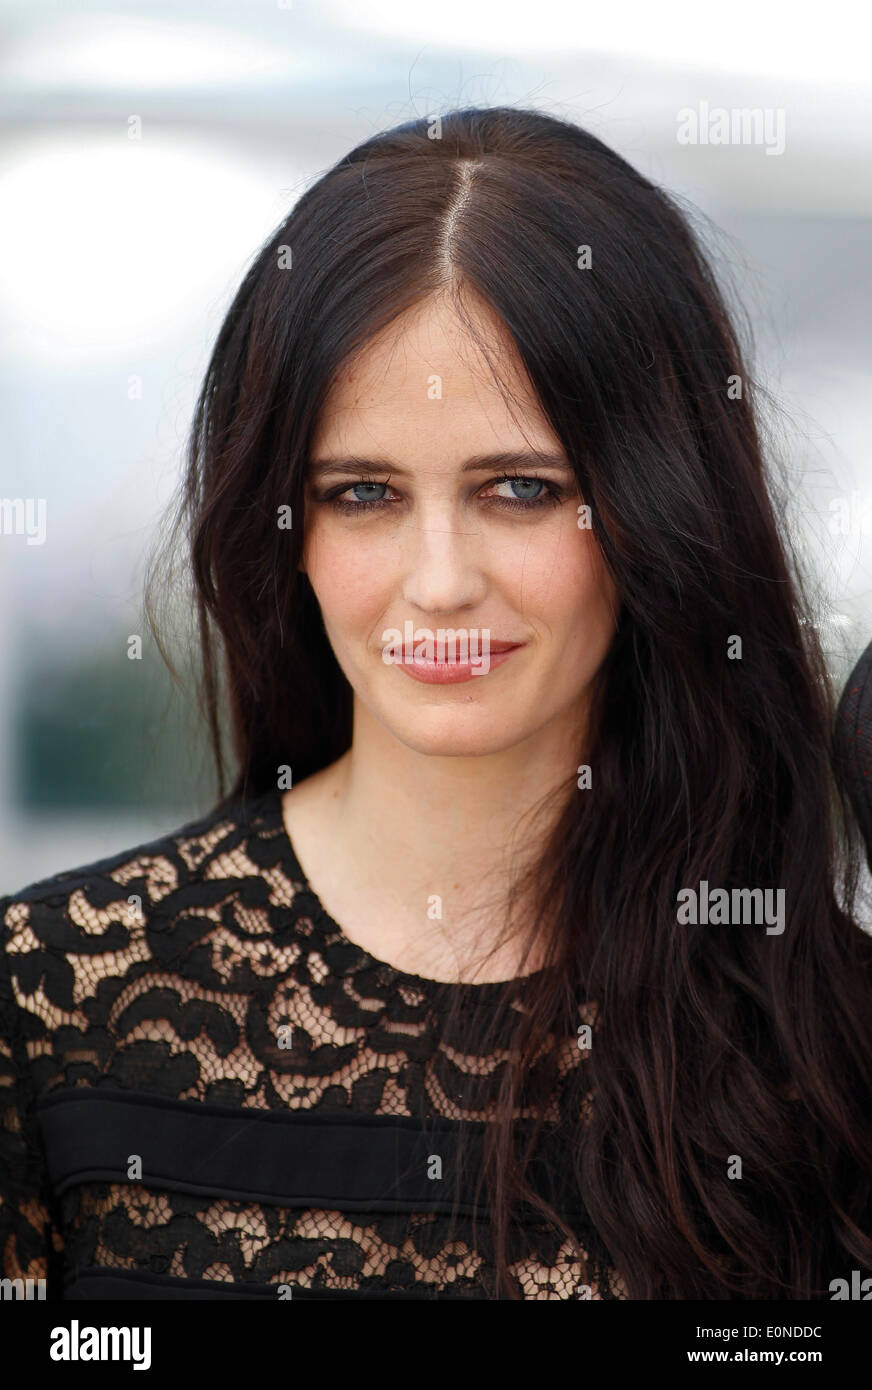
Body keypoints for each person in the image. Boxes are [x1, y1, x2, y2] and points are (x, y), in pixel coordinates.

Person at [2, 105, 871, 1302]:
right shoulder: (44, 1000)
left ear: (654, 514)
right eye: (362, 493)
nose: (440, 579)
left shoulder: (832, 1045)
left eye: (519, 488)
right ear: (284, 530)